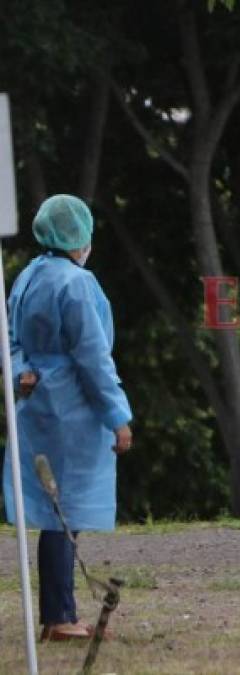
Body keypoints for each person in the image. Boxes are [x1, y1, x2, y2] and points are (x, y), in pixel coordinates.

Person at [2, 195, 133, 640]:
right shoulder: (78, 284)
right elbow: (94, 357)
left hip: (36, 403)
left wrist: (22, 372)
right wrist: (118, 416)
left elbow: (11, 340)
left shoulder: (27, 277)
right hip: (73, 409)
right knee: (65, 514)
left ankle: (62, 612)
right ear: (80, 237)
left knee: (55, 510)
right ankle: (59, 618)